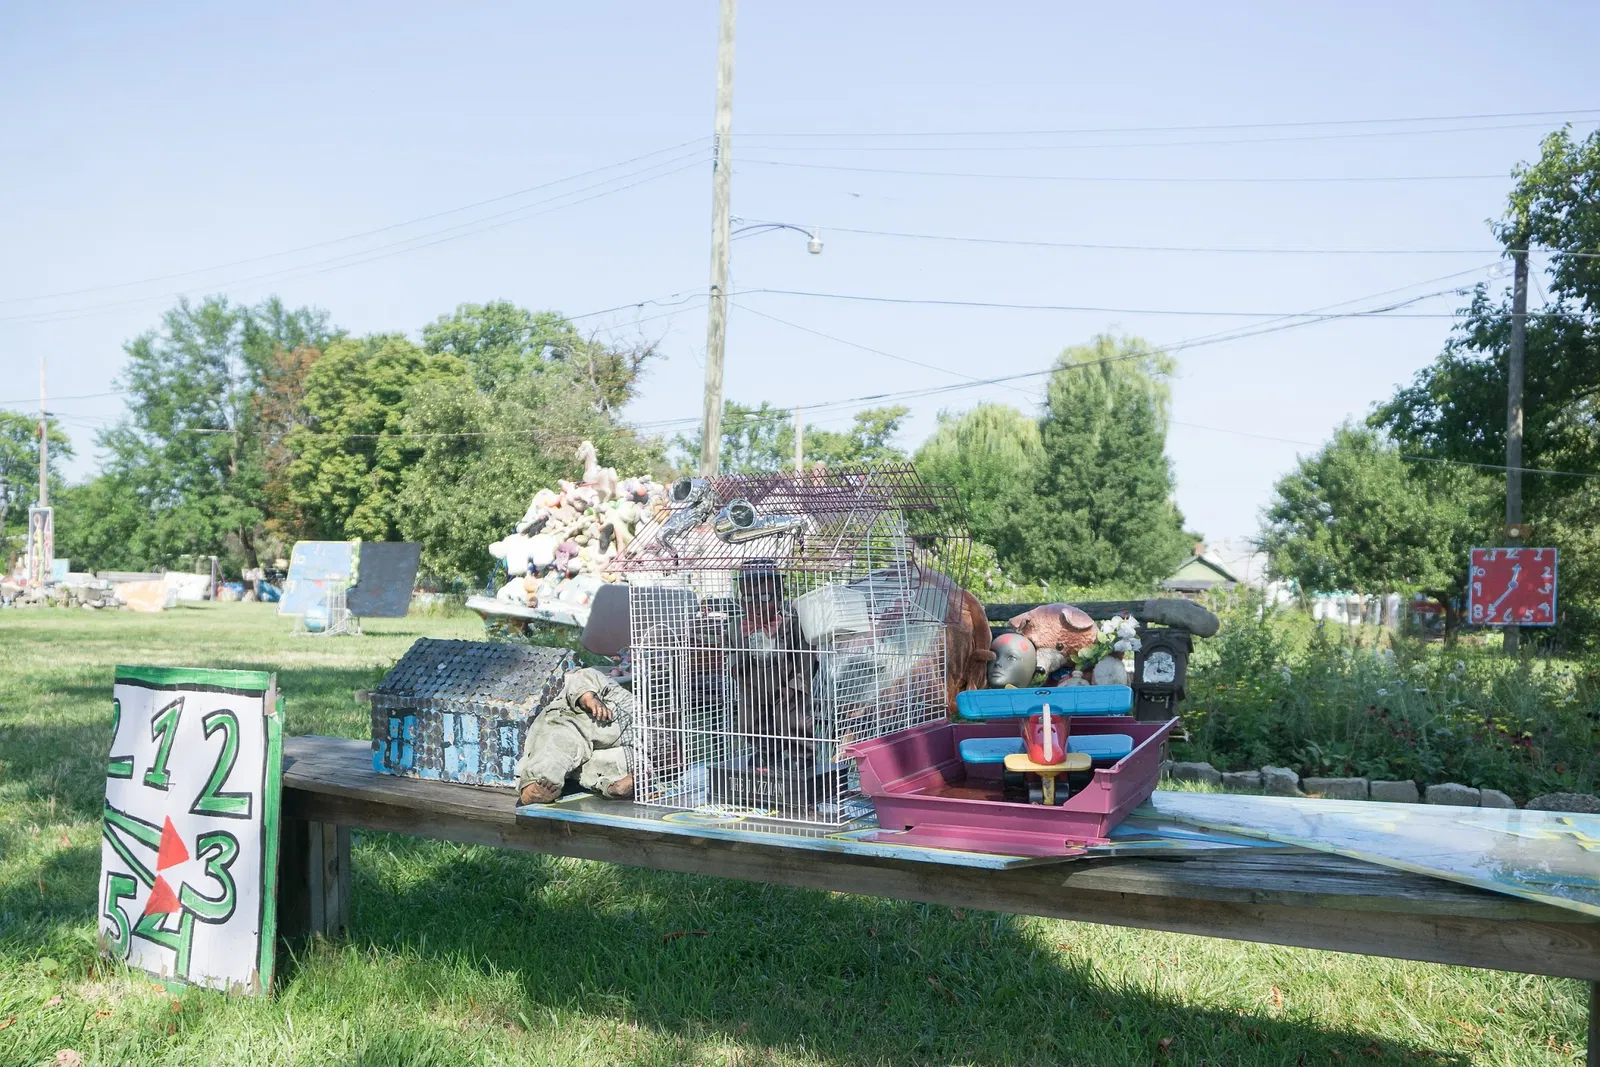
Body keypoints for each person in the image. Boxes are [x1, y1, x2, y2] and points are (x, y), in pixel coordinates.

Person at [516, 667, 636, 805]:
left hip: (607, 745)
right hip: (573, 721)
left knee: (613, 760)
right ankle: (534, 788)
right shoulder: (616, 690)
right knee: (559, 745)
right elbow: (584, 675)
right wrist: (588, 696)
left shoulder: (643, 721)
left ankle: (613, 786)